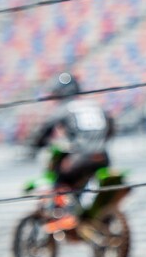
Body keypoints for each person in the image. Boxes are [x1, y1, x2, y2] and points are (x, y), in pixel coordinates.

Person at [30, 72, 114, 225]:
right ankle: (82, 210)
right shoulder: (94, 105)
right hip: (103, 156)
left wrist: (35, 145)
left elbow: (45, 129)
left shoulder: (66, 107)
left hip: (81, 157)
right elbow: (111, 126)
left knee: (60, 176)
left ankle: (68, 213)